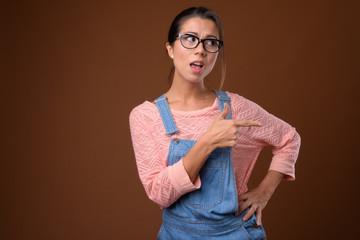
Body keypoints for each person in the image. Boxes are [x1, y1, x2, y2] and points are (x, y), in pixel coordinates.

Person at [129, 6, 300, 239]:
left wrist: (265, 191)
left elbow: (289, 138)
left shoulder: (234, 107)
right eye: (190, 39)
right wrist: (207, 142)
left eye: (210, 43)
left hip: (234, 233)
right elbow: (160, 194)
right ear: (170, 49)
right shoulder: (145, 116)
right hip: (176, 234)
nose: (200, 50)